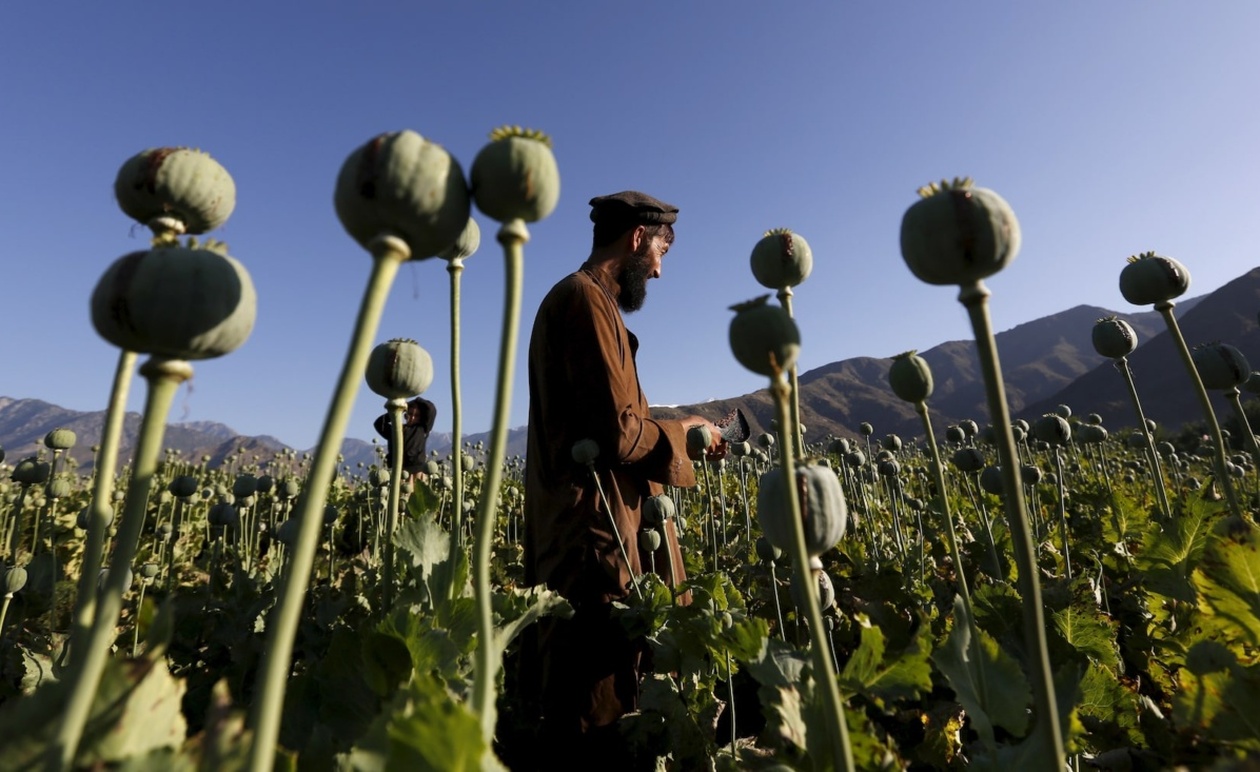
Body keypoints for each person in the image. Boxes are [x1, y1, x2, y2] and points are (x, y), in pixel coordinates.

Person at [519, 190, 725, 765]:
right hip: (593, 537)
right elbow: (618, 433)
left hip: (596, 528)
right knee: (595, 705)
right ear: (637, 239)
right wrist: (686, 430)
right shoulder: (583, 302)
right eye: (660, 251)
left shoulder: (590, 304)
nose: (658, 270)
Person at [373, 396, 436, 482]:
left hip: (416, 471)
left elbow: (431, 409)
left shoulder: (422, 428)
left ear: (421, 417)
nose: (412, 417)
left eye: (416, 415)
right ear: (405, 415)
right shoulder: (396, 430)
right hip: (397, 471)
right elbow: (379, 423)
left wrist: (414, 401)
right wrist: (398, 410)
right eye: (410, 414)